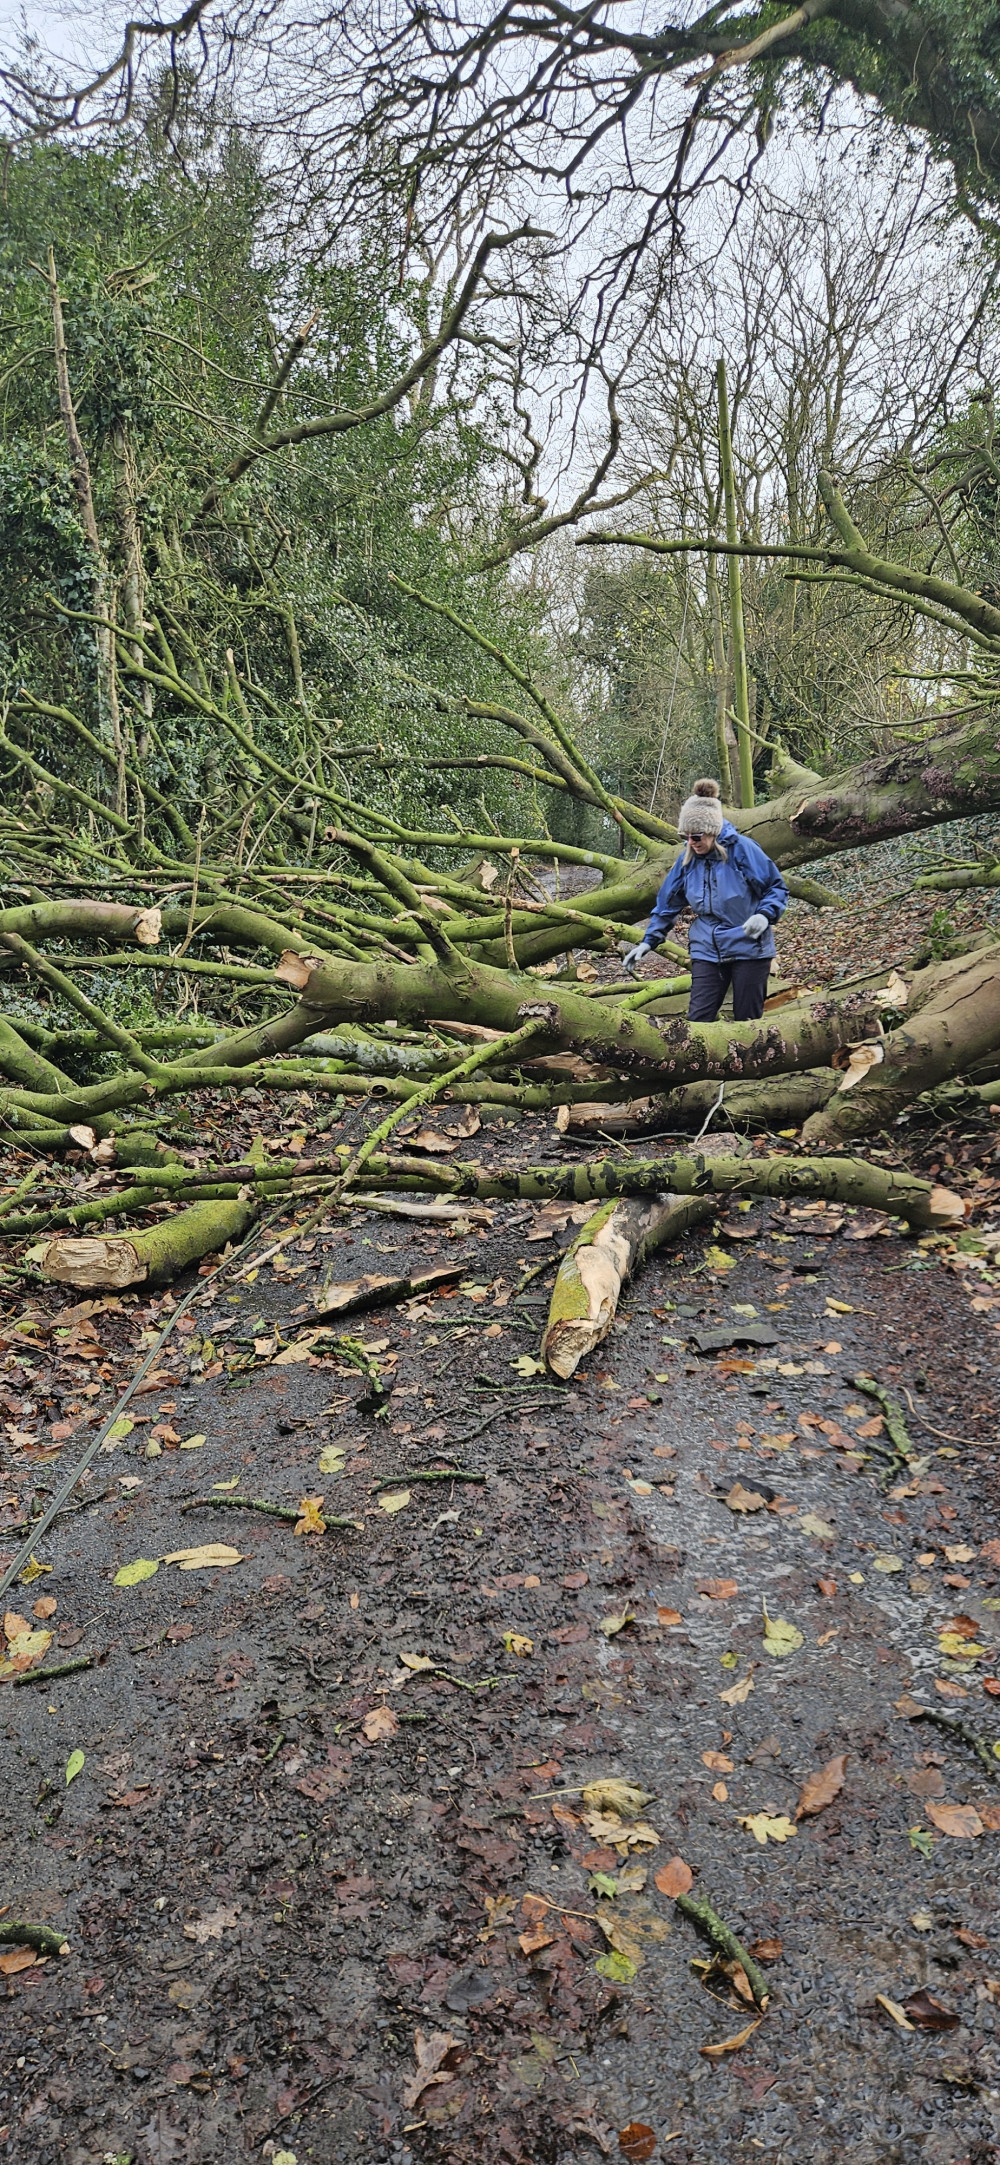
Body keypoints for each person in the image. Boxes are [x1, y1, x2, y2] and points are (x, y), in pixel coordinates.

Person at [623, 778, 788, 1021]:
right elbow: (667, 904)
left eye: (696, 836)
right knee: (698, 1021)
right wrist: (647, 943)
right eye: (686, 836)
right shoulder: (687, 859)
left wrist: (764, 915)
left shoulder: (743, 850)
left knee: (748, 1022)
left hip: (749, 946)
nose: (691, 842)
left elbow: (776, 887)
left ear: (712, 831)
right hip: (707, 947)